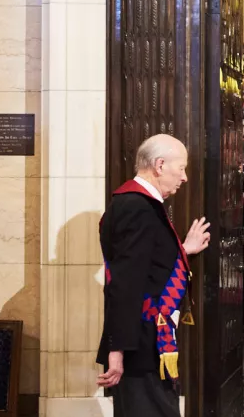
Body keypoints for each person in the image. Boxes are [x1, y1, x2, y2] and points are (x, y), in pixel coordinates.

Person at [96, 134, 212, 417]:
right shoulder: (137, 207)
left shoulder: (141, 204)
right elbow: (125, 283)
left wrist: (183, 250)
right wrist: (117, 349)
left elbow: (148, 267)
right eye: (181, 168)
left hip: (146, 339)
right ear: (160, 165)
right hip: (140, 342)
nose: (184, 178)